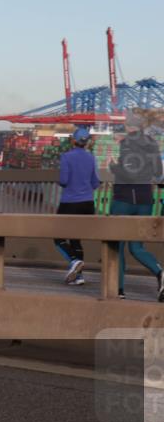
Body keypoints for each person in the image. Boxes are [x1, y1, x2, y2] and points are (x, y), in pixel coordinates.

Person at [108, 114, 164, 300]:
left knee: (117, 245)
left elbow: (129, 174)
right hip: (145, 199)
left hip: (125, 199)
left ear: (128, 126)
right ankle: (160, 272)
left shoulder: (127, 143)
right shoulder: (152, 143)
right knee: (137, 247)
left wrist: (114, 167)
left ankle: (119, 290)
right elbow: (158, 173)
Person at [54, 128, 101, 286]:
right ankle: (79, 277)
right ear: (86, 142)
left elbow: (64, 180)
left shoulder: (66, 157)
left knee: (58, 237)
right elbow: (95, 183)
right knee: (76, 239)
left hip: (70, 203)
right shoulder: (91, 157)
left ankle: (74, 261)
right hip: (88, 204)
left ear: (73, 140)